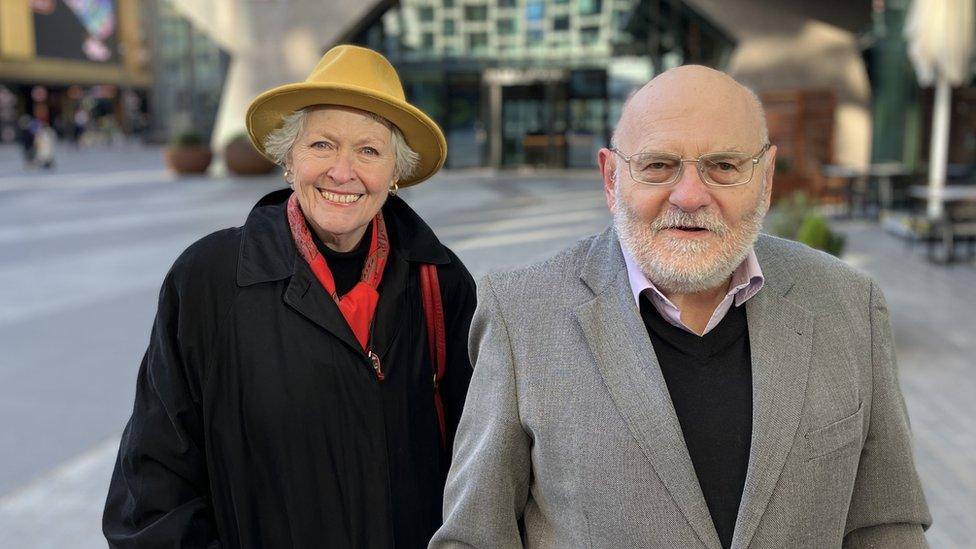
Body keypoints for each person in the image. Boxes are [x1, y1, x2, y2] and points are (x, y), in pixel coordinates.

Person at [431, 66, 930, 548]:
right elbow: (474, 537)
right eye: (658, 166)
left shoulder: (850, 305)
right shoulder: (522, 314)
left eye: (725, 166)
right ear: (611, 178)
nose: (690, 196)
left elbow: (886, 527)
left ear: (767, 177)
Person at [104, 45, 477, 547]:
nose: (342, 172)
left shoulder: (441, 282)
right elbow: (151, 488)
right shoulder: (209, 279)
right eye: (322, 145)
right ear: (289, 158)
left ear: (394, 175)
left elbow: (480, 469)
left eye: (369, 151)